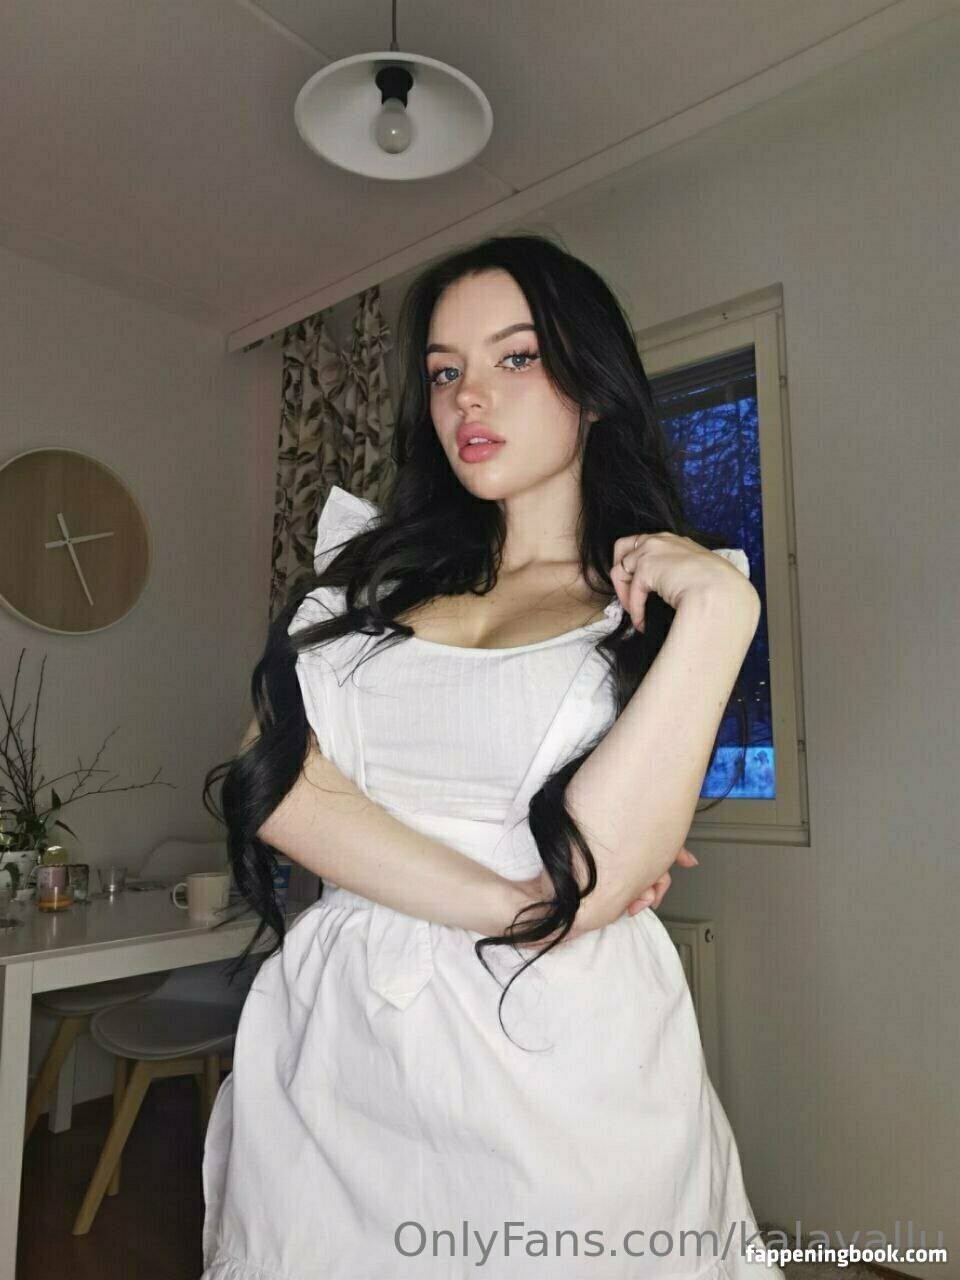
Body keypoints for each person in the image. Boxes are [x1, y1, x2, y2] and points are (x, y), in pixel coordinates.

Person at [200, 233, 783, 1280]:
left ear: (592, 384)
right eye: (444, 371)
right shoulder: (368, 581)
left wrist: (724, 610)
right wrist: (508, 899)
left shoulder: (654, 605)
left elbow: (598, 873)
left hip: (554, 1053)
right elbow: (274, 782)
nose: (469, 396)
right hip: (341, 1044)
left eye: (517, 357)